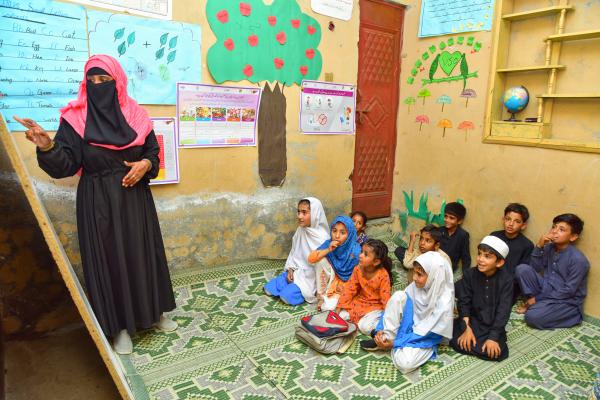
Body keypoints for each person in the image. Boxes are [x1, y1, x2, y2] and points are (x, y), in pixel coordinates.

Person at [13, 54, 177, 355]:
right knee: (110, 260)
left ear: (118, 82)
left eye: (104, 80)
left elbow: (153, 152)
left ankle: (154, 314)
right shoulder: (75, 119)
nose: (97, 86)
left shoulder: (137, 115)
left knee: (142, 254)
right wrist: (47, 146)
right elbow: (64, 165)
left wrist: (144, 164)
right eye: (92, 81)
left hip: (136, 199)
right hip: (98, 200)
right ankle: (120, 328)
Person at [360, 252, 454, 374]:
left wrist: (395, 343)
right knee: (398, 296)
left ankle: (390, 342)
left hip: (425, 337)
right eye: (414, 272)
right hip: (408, 324)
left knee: (405, 363)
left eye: (419, 274)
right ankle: (385, 338)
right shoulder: (416, 287)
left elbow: (427, 334)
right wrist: (380, 330)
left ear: (434, 277)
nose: (414, 278)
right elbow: (394, 306)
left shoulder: (444, 302)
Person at [515, 214, 589, 329]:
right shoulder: (549, 248)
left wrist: (537, 299)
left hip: (567, 301)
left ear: (573, 237)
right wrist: (539, 246)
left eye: (561, 229)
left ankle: (572, 316)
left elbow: (568, 291)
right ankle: (539, 305)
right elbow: (535, 268)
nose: (554, 231)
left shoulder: (578, 260)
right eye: (554, 227)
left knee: (532, 317)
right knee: (522, 269)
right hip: (547, 288)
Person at [450, 236, 512, 361]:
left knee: (495, 352)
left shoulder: (506, 280)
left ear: (499, 262)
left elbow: (503, 310)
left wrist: (493, 337)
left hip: (493, 324)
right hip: (473, 321)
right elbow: (464, 302)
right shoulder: (470, 274)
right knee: (457, 341)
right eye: (479, 254)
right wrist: (466, 329)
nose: (480, 260)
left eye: (487, 256)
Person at [264, 197, 329, 306]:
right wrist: (290, 269)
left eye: (304, 212)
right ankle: (290, 283)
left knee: (286, 296)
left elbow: (323, 268)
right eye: (298, 212)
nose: (299, 216)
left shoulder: (323, 238)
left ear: (315, 214)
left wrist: (318, 289)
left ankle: (297, 289)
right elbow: (294, 253)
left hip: (310, 278)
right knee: (269, 288)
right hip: (296, 271)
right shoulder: (300, 231)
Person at [336, 239, 392, 335]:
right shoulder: (358, 269)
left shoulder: (383, 275)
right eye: (361, 252)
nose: (360, 255)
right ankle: (363, 320)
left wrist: (388, 317)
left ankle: (378, 327)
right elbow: (350, 289)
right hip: (360, 301)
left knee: (365, 327)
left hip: (375, 306)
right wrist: (339, 306)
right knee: (341, 316)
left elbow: (385, 299)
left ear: (376, 261)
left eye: (365, 254)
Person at [309, 215, 361, 311]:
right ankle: (321, 296)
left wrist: (344, 287)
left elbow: (358, 275)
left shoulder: (356, 250)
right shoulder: (328, 243)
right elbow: (311, 259)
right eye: (334, 231)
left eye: (342, 232)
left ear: (350, 234)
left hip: (345, 283)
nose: (337, 236)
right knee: (320, 260)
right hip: (331, 279)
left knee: (330, 307)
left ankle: (332, 296)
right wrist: (328, 249)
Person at [490, 203, 534, 303]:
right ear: (503, 219)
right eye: (508, 219)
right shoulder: (494, 236)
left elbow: (521, 274)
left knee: (497, 302)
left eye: (517, 221)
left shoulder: (527, 245)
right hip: (489, 278)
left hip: (510, 285)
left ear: (523, 225)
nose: (511, 224)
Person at [439, 202, 471, 274]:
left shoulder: (463, 235)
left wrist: (465, 275)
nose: (447, 220)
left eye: (451, 218)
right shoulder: (440, 231)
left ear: (460, 221)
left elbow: (466, 258)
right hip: (435, 264)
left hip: (448, 269)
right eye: (446, 216)